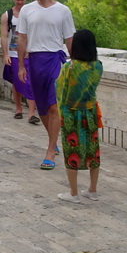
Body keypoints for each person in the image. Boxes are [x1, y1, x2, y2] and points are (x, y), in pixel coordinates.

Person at [17, 0, 75, 170]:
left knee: (54, 106)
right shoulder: (27, 10)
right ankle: (53, 139)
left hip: (55, 60)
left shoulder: (63, 11)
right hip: (34, 60)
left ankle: (50, 151)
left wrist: (75, 62)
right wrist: (22, 65)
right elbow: (22, 39)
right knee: (41, 107)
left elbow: (69, 39)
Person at [55, 29, 103, 203]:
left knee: (72, 152)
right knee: (93, 152)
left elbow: (60, 90)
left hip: (71, 113)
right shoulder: (98, 65)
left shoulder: (70, 67)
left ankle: (73, 193)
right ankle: (92, 189)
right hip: (90, 112)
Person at [0, 0, 38, 124]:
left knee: (29, 82)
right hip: (13, 52)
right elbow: (4, 35)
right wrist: (5, 54)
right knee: (17, 82)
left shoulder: (31, 14)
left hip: (29, 52)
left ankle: (32, 113)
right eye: (18, 0)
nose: (20, 2)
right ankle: (18, 108)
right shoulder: (7, 15)